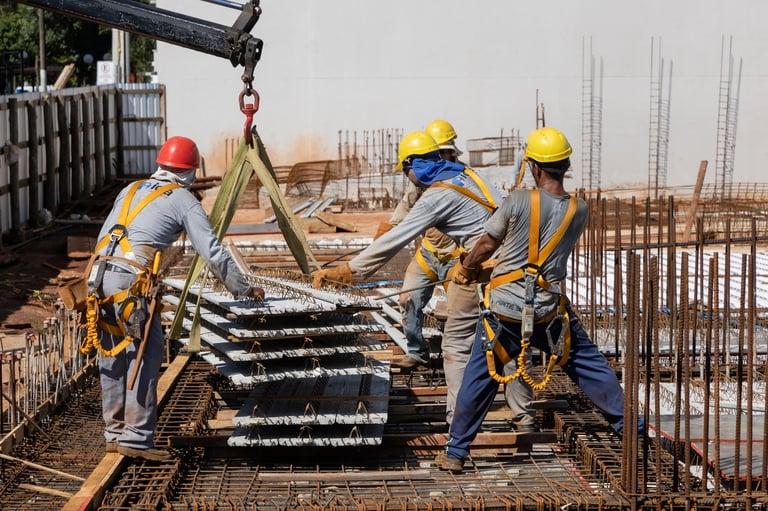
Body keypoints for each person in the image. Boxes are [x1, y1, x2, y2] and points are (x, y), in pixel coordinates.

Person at [434, 127, 633, 473]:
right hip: (548, 311)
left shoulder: (517, 200)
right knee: (590, 366)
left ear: (535, 167)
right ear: (565, 164)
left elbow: (486, 244)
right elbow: (540, 252)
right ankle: (632, 431)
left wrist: (466, 269)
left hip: (506, 314)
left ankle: (455, 453)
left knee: (479, 378)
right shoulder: (579, 210)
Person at [89, 136, 264, 461]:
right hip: (129, 281)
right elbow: (211, 251)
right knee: (146, 354)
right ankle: (137, 439)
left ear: (161, 164)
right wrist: (242, 288)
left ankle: (114, 433)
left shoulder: (130, 189)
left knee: (112, 355)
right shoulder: (184, 199)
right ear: (191, 172)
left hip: (97, 278)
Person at [313, 130, 501, 425]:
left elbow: (399, 237)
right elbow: (396, 224)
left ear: (415, 164)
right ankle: (523, 414)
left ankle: (459, 423)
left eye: (407, 169)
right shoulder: (466, 175)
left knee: (457, 346)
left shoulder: (437, 195)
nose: (406, 175)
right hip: (509, 263)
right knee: (513, 340)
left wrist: (351, 270)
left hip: (475, 265)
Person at [378, 120, 465, 370]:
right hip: (429, 253)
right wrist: (380, 242)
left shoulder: (464, 179)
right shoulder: (420, 184)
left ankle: (456, 358)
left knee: (457, 312)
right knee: (407, 299)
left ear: (449, 153)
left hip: (458, 257)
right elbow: (400, 218)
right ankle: (417, 352)